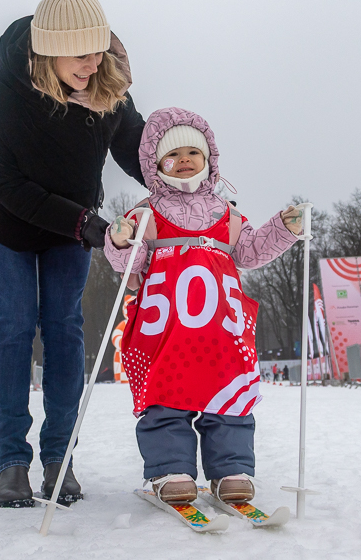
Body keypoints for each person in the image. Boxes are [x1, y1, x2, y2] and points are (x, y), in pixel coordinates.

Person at [0, 0, 145, 508]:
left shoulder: (105, 81)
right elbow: (6, 184)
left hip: (73, 229)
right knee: (17, 323)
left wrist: (190, 183)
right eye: (80, 54)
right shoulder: (0, 90)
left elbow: (138, 149)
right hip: (8, 223)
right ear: (49, 48)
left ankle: (59, 458)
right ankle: (11, 464)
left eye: (98, 49)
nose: (92, 63)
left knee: (65, 328)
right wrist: (87, 225)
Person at [104, 106, 304, 504]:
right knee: (166, 394)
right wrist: (123, 240)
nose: (183, 161)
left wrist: (283, 228)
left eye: (192, 153)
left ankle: (231, 468)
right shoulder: (146, 213)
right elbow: (131, 266)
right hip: (165, 330)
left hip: (221, 329)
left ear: (208, 159)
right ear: (155, 164)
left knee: (228, 392)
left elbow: (249, 252)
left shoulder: (227, 214)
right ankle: (171, 469)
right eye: (172, 156)